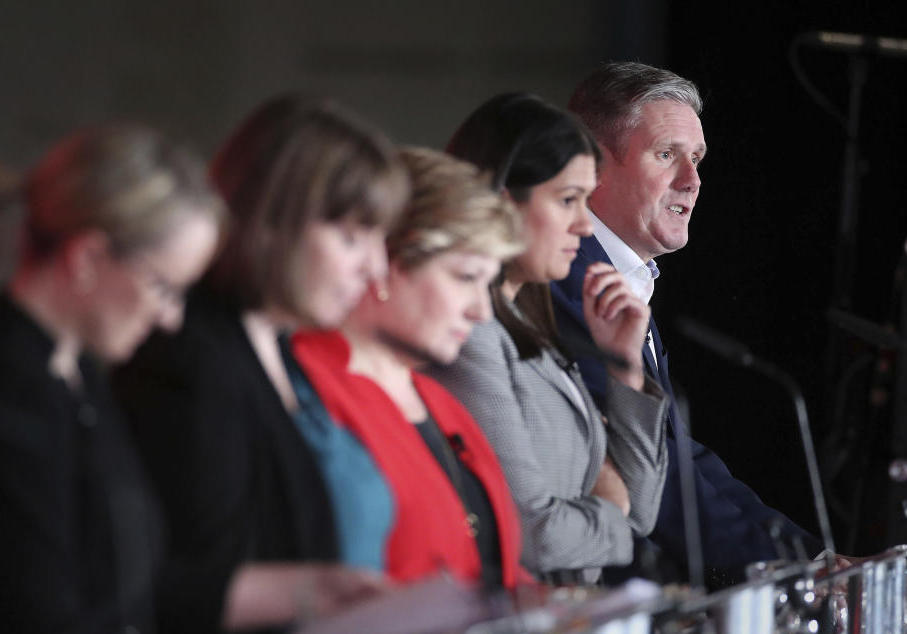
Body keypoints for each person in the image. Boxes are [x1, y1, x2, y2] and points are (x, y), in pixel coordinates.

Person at [112, 96, 408, 634]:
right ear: (275, 222)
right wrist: (308, 595)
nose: (373, 268)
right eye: (351, 237)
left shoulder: (277, 348)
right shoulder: (191, 356)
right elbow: (161, 591)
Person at [0, 126, 224, 634]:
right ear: (89, 257)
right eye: (164, 287)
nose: (172, 319)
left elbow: (113, 604)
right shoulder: (6, 401)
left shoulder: (74, 372)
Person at [552, 61, 822, 589]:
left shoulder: (623, 276)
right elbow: (661, 479)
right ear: (593, 165)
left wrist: (809, 560)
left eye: (696, 158)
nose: (692, 181)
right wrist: (790, 575)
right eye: (666, 154)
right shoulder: (570, 283)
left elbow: (676, 451)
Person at [428, 93, 669, 585]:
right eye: (567, 200)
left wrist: (624, 367)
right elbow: (535, 534)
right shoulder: (473, 335)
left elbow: (642, 508)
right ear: (500, 201)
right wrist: (611, 510)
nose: (584, 224)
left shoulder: (536, 326)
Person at [291, 147, 528, 588]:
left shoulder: (441, 402)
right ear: (388, 261)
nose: (481, 311)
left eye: (488, 284)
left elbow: (497, 566)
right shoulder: (304, 384)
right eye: (465, 277)